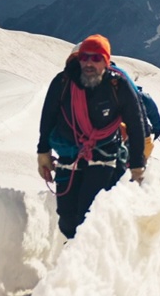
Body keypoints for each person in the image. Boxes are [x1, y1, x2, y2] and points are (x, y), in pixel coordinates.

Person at [36, 34, 147, 238]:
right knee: (67, 217)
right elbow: (48, 118)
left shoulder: (117, 86)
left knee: (88, 214)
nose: (89, 63)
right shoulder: (62, 83)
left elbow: (135, 123)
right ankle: (75, 250)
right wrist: (43, 153)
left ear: (106, 61)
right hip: (69, 155)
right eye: (85, 57)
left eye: (96, 58)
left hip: (103, 155)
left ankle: (83, 261)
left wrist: (138, 165)